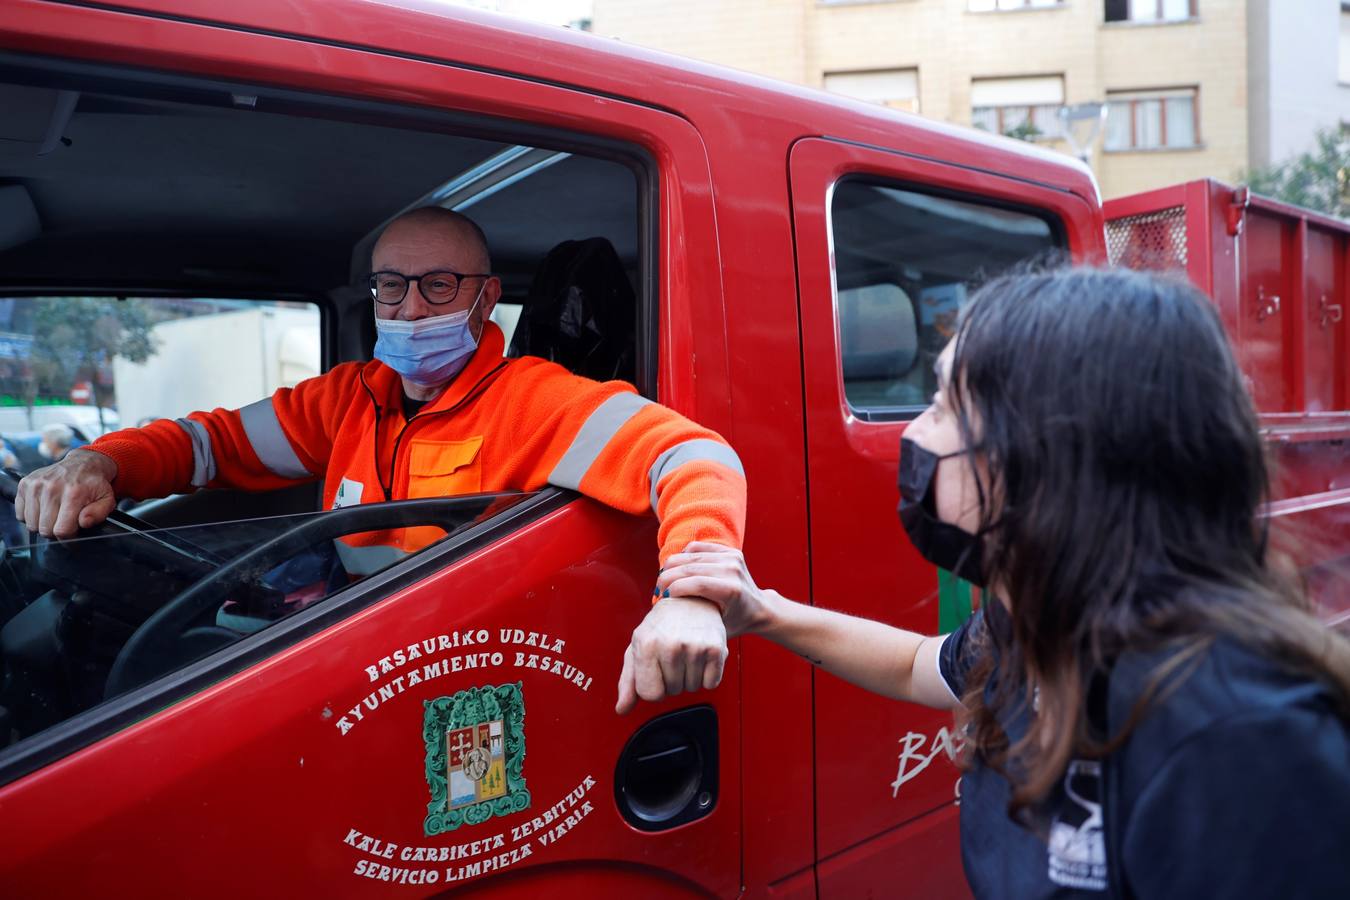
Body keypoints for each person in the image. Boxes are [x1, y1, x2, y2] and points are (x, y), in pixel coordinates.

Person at [657, 268, 1350, 897]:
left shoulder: (1236, 739)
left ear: (1056, 455)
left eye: (945, 406)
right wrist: (764, 611)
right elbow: (916, 666)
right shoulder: (1039, 622)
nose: (916, 435)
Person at [16, 207, 743, 703]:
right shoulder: (349, 397)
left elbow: (692, 458)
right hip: (353, 649)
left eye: (438, 286)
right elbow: (210, 444)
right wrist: (101, 464)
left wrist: (695, 598)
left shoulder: (536, 398)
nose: (411, 309)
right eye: (391, 286)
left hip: (463, 667)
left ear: (486, 299)